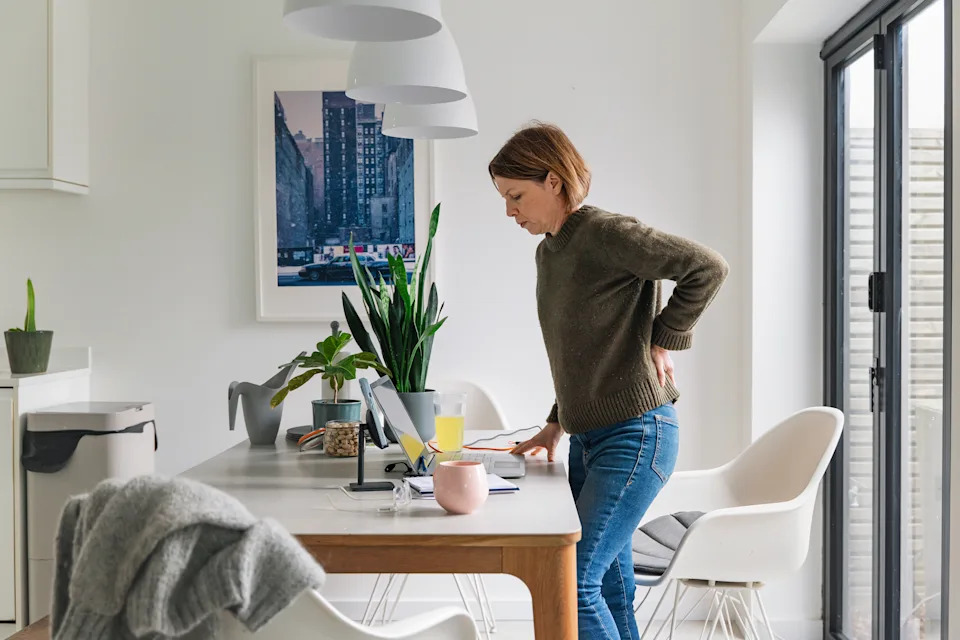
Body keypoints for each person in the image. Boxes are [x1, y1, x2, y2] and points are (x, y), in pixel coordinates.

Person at [490, 123, 728, 639]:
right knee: (611, 588)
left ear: (553, 181)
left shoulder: (606, 233)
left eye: (516, 196)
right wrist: (556, 423)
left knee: (573, 581)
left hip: (636, 434)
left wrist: (664, 337)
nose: (509, 211)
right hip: (589, 438)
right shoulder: (549, 252)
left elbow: (707, 267)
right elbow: (580, 352)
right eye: (504, 198)